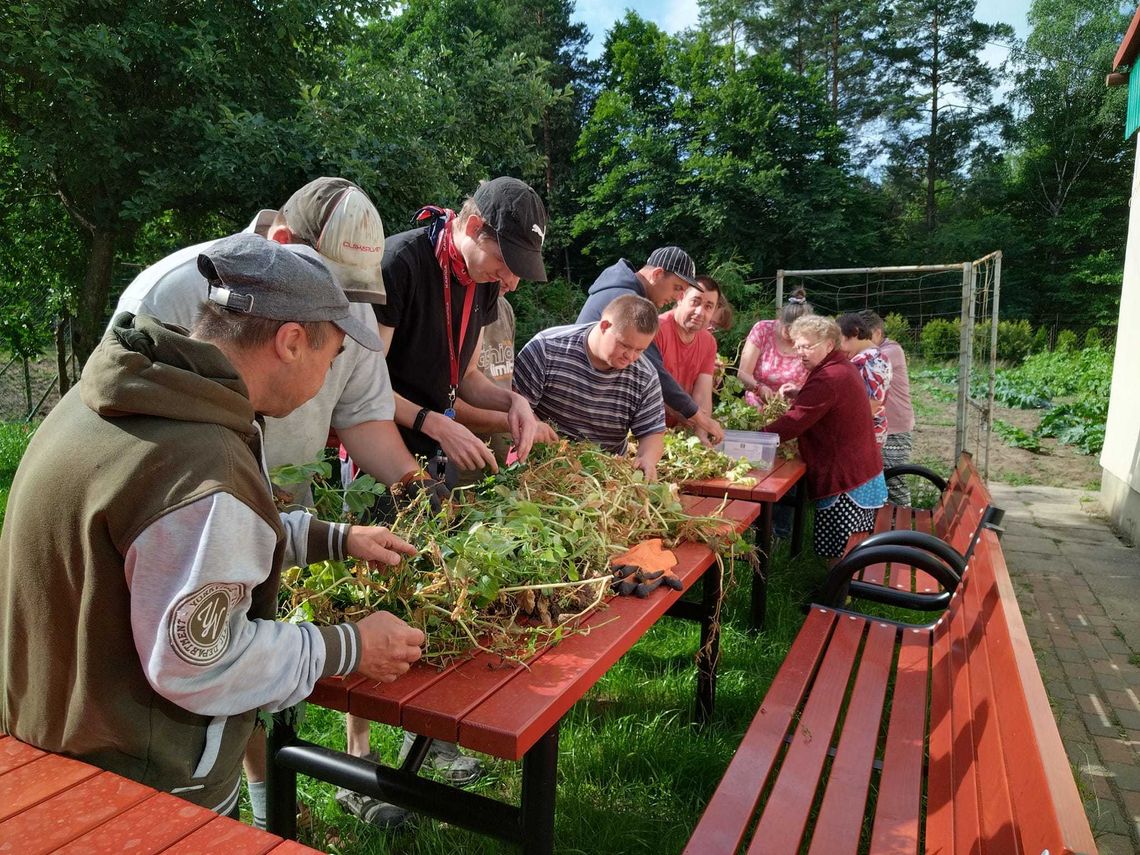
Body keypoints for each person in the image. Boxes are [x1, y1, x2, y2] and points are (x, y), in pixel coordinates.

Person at [0, 235, 425, 819]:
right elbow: (203, 662)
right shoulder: (205, 463)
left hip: (54, 738)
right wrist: (349, 645)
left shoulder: (124, 398)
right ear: (292, 342)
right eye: (331, 360)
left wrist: (336, 538)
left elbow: (175, 535)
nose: (328, 378)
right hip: (144, 785)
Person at [355, 177, 557, 823]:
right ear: (473, 229)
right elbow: (361, 387)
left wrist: (513, 399)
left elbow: (460, 375)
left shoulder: (477, 284)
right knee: (373, 594)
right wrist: (435, 421)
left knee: (435, 591)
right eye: (506, 261)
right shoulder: (400, 262)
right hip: (374, 451)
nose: (513, 281)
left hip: (428, 448)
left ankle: (429, 739)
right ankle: (357, 765)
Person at [113, 177, 432, 505]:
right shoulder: (169, 293)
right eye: (328, 285)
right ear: (282, 242)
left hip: (290, 526)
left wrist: (416, 485)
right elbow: (127, 442)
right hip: (186, 515)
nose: (340, 306)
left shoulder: (350, 301)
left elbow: (363, 414)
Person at [762, 315, 886, 564]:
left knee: (841, 554)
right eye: (798, 346)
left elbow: (795, 421)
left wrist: (756, 437)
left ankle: (835, 597)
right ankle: (840, 591)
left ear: (829, 345)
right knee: (850, 549)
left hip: (847, 479)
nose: (801, 353)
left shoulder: (829, 376)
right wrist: (802, 393)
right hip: (862, 472)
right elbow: (828, 402)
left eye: (807, 346)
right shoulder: (838, 367)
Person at [575, 247, 723, 446]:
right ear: (657, 274)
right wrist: (700, 418)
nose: (678, 297)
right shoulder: (627, 300)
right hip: (582, 396)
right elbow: (653, 370)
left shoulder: (624, 288)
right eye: (678, 287)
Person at [514, 294, 667, 479]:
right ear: (604, 326)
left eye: (640, 350)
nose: (631, 356)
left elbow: (652, 431)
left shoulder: (645, 375)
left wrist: (647, 459)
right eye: (625, 345)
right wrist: (535, 426)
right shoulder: (547, 347)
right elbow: (515, 403)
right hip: (538, 467)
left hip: (604, 475)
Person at [655, 275, 720, 442]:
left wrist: (701, 437)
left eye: (708, 306)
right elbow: (651, 388)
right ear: (681, 297)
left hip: (678, 434)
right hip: (647, 429)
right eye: (695, 302)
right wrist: (684, 412)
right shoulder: (656, 330)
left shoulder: (708, 342)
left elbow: (703, 393)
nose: (700, 312)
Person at [861, 310, 916, 505]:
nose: (861, 341)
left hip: (895, 428)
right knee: (878, 478)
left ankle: (903, 527)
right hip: (879, 426)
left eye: (864, 336)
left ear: (877, 332)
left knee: (894, 480)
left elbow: (862, 363)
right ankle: (886, 526)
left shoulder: (890, 351)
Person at [738, 289, 813, 405]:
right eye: (788, 330)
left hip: (792, 407)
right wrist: (758, 388)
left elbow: (817, 384)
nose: (791, 336)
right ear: (781, 319)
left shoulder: (811, 342)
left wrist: (798, 392)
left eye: (796, 332)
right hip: (756, 404)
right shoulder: (762, 330)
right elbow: (742, 374)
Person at [837, 312, 892, 446]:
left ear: (855, 332)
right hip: (874, 432)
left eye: (840, 340)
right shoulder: (879, 355)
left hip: (862, 436)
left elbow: (871, 404)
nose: (838, 347)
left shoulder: (865, 361)